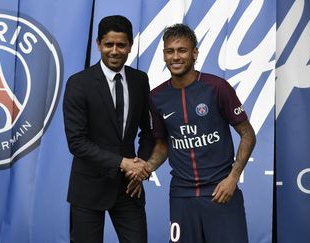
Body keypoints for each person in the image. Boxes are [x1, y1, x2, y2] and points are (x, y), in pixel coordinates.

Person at [128, 23, 256, 243]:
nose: (175, 57)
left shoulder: (217, 87)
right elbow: (163, 143)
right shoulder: (157, 97)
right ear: (164, 55)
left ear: (195, 53)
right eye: (170, 51)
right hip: (181, 196)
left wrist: (233, 178)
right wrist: (145, 168)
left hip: (220, 192)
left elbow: (247, 134)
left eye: (182, 50)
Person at [63, 15, 154, 243]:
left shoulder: (140, 80)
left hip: (129, 188)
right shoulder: (78, 83)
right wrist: (122, 163)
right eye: (108, 44)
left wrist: (139, 168)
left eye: (121, 45)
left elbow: (148, 132)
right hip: (88, 188)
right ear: (98, 45)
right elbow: (77, 142)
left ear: (130, 46)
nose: (114, 51)